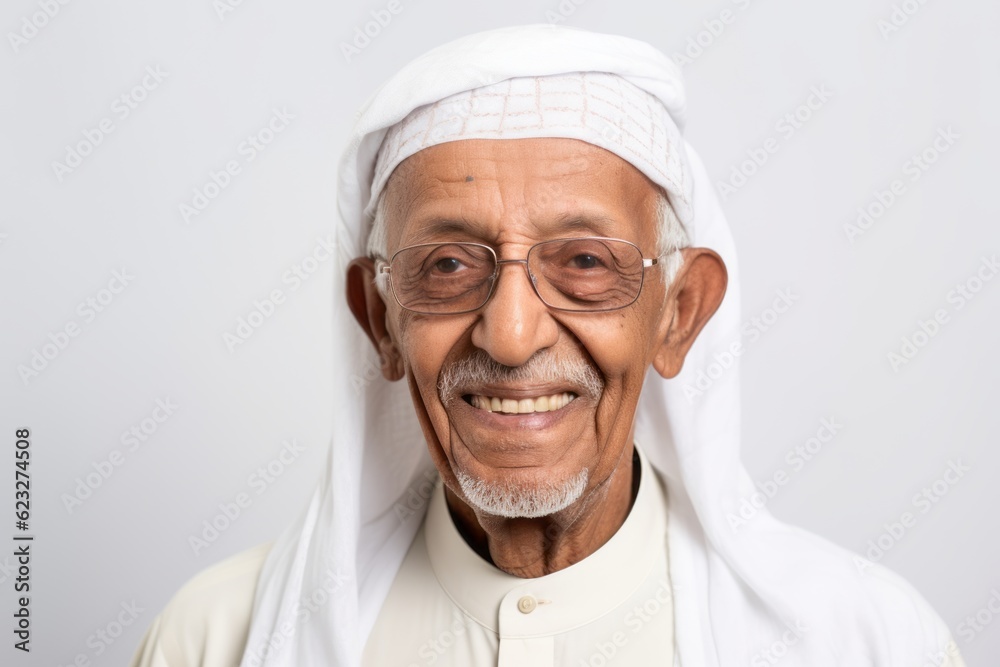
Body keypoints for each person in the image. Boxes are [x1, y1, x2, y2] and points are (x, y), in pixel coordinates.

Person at [130, 24, 966, 667]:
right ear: (380, 319)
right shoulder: (216, 638)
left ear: (678, 313)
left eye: (585, 263)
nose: (511, 331)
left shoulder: (863, 641)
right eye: (449, 264)